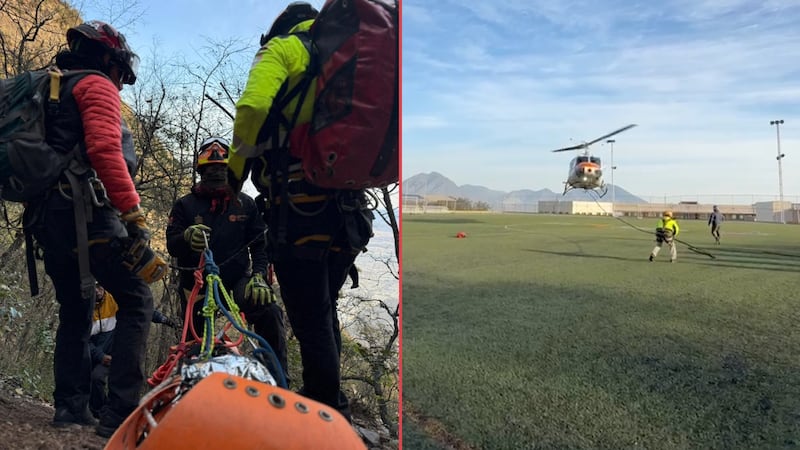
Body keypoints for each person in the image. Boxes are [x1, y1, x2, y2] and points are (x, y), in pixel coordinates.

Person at [227, 2, 375, 422]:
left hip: (300, 211)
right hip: (350, 214)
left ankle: (324, 418)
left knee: (310, 321)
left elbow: (253, 109)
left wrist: (235, 175)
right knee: (323, 313)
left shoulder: (285, 49)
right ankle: (335, 411)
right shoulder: (347, 56)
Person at [25, 21, 157, 436]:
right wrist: (132, 212)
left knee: (76, 309)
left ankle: (70, 408)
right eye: (119, 69)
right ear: (107, 59)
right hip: (88, 215)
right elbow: (104, 150)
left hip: (46, 218)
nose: (119, 81)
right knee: (137, 301)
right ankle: (119, 415)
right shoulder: (95, 85)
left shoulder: (52, 87)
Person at [166, 137, 288, 382]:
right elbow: (172, 246)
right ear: (201, 172)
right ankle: (195, 385)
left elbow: (259, 246)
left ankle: (277, 378)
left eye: (222, 169)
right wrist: (186, 238)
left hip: (237, 280)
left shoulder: (245, 204)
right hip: (198, 284)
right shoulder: (185, 206)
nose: (216, 174)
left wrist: (259, 276)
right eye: (210, 170)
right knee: (196, 341)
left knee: (269, 311)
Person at [89, 284, 176, 419]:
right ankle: (98, 412)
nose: (97, 290)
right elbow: (85, 341)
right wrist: (100, 356)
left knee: (117, 380)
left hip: (118, 352)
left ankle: (112, 413)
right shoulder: (86, 311)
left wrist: (165, 320)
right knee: (94, 379)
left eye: (99, 287)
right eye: (93, 287)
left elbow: (141, 309)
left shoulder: (113, 300)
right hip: (99, 356)